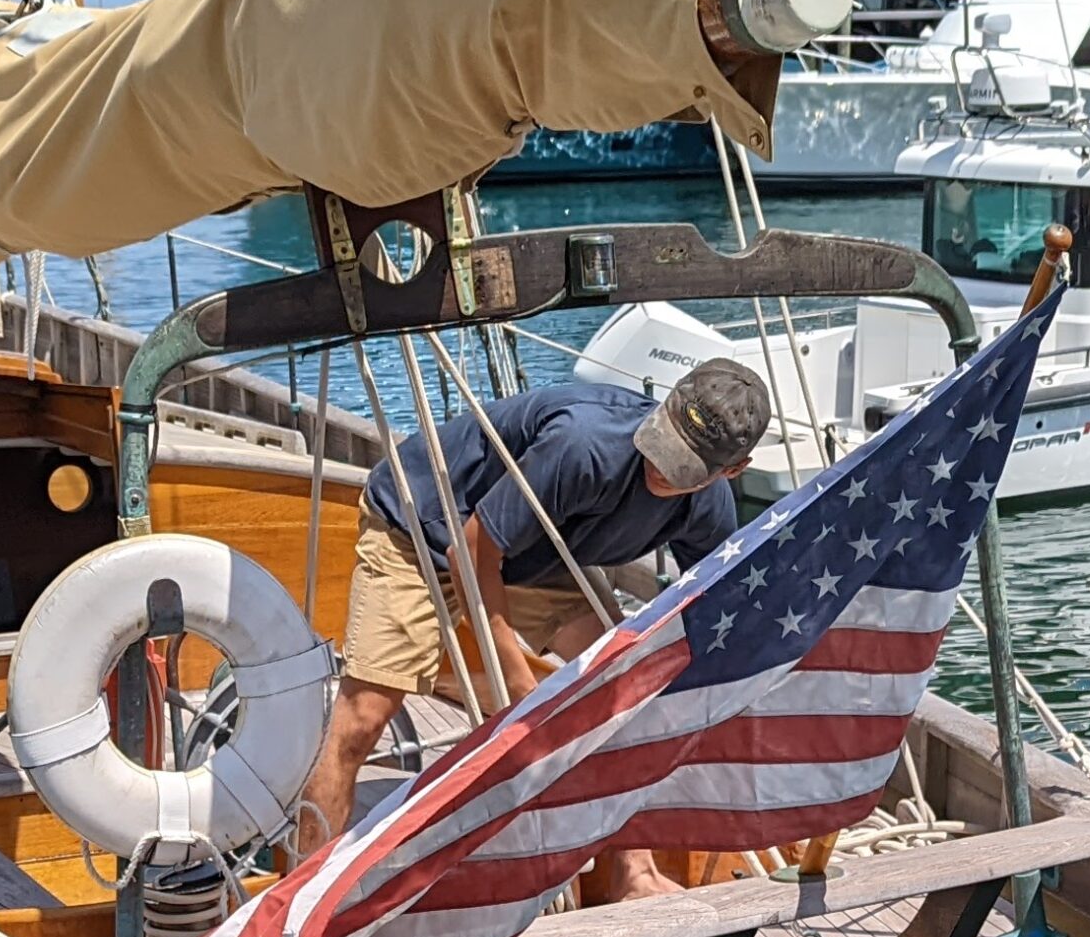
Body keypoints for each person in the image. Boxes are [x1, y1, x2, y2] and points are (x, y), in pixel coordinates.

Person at [305, 360, 772, 895]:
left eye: (684, 466)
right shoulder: (583, 444)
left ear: (733, 471)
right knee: (363, 719)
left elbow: (712, 607)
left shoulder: (706, 509)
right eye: (662, 442)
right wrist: (519, 688)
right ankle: (300, 900)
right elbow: (471, 550)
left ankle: (632, 872)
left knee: (625, 689)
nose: (661, 468)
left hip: (535, 556)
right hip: (422, 531)